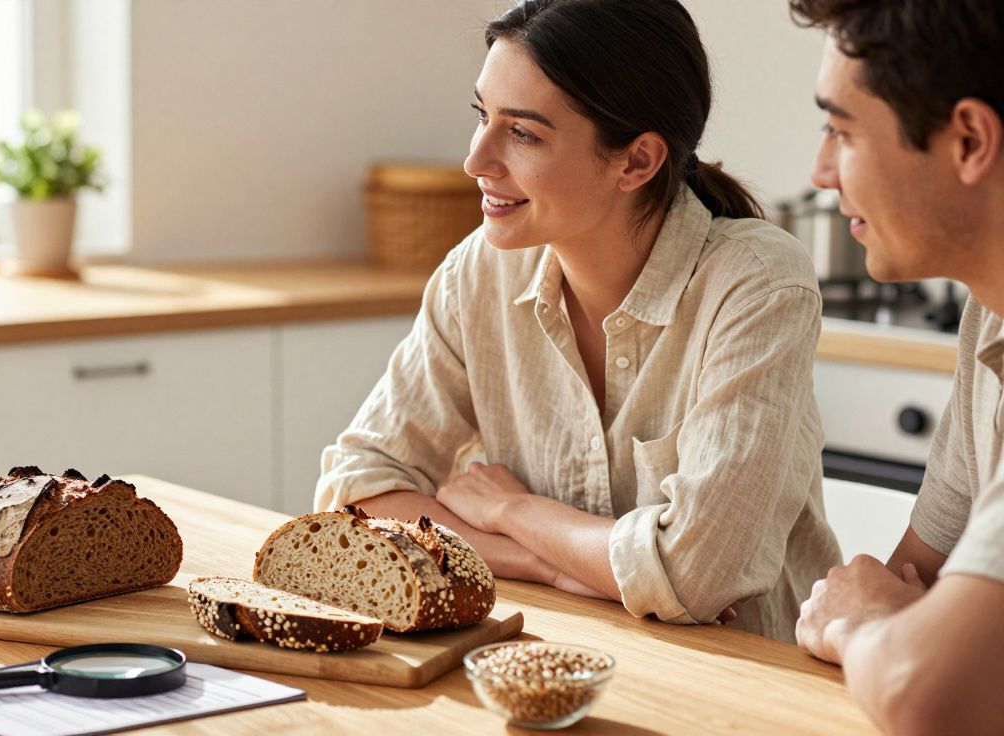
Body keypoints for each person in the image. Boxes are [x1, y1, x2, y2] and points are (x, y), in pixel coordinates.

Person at [314, 0, 841, 643]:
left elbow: (697, 576)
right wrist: (548, 562)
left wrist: (514, 509)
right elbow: (356, 493)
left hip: (744, 682)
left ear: (637, 161)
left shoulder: (756, 283)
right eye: (483, 116)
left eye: (524, 133)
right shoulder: (478, 271)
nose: (476, 160)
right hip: (555, 653)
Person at [789, 1, 1004, 733]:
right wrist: (890, 621)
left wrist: (862, 627)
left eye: (842, 130)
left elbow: (922, 688)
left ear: (970, 139)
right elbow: (912, 576)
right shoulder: (990, 314)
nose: (821, 171)